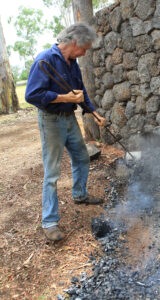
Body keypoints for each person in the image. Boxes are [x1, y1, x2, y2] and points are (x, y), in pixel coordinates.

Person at [25, 22, 106, 241]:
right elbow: (32, 95)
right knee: (52, 173)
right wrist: (63, 98)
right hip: (50, 120)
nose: (85, 52)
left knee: (81, 157)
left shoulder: (72, 64)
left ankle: (80, 194)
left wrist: (93, 112)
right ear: (74, 42)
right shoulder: (45, 60)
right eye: (85, 48)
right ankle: (50, 222)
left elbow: (80, 93)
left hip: (69, 118)